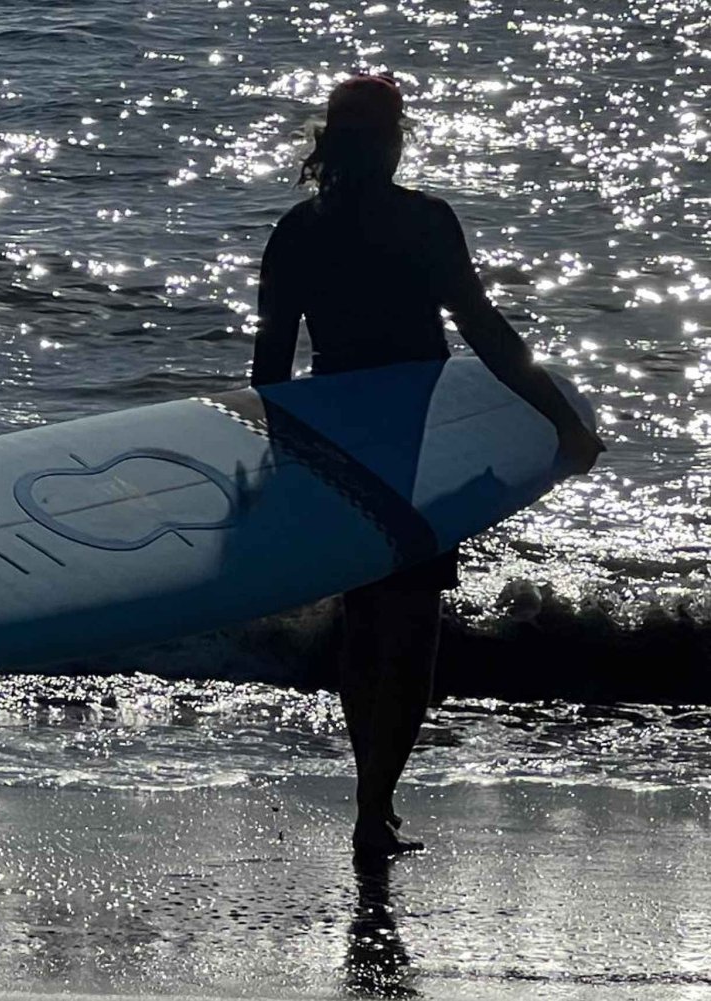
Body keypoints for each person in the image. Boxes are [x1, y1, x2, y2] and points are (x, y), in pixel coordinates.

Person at [252, 76, 603, 857]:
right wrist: (560, 420)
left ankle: (370, 799)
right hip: (416, 442)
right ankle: (374, 805)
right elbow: (482, 328)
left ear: (330, 142)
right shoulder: (423, 221)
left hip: (338, 444)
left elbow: (271, 369)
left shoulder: (296, 232)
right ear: (392, 140)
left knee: (367, 620)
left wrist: (283, 470)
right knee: (412, 631)